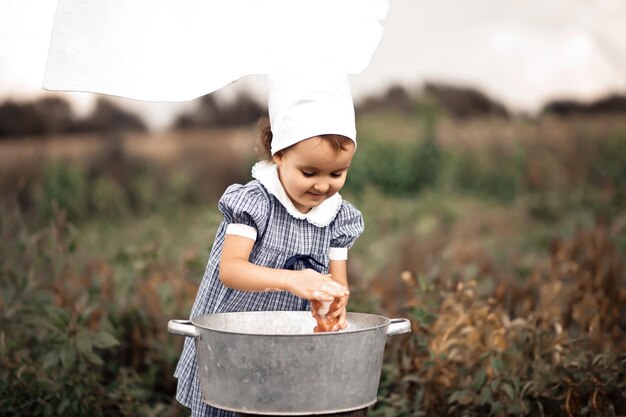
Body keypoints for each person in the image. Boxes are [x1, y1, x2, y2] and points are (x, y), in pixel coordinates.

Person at [174, 72, 365, 417]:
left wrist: (333, 306)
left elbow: (338, 285)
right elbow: (231, 270)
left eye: (337, 174)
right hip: (235, 337)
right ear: (278, 154)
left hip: (288, 346)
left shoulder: (339, 218)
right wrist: (294, 279)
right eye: (309, 173)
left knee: (280, 406)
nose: (323, 186)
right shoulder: (255, 202)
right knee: (231, 402)